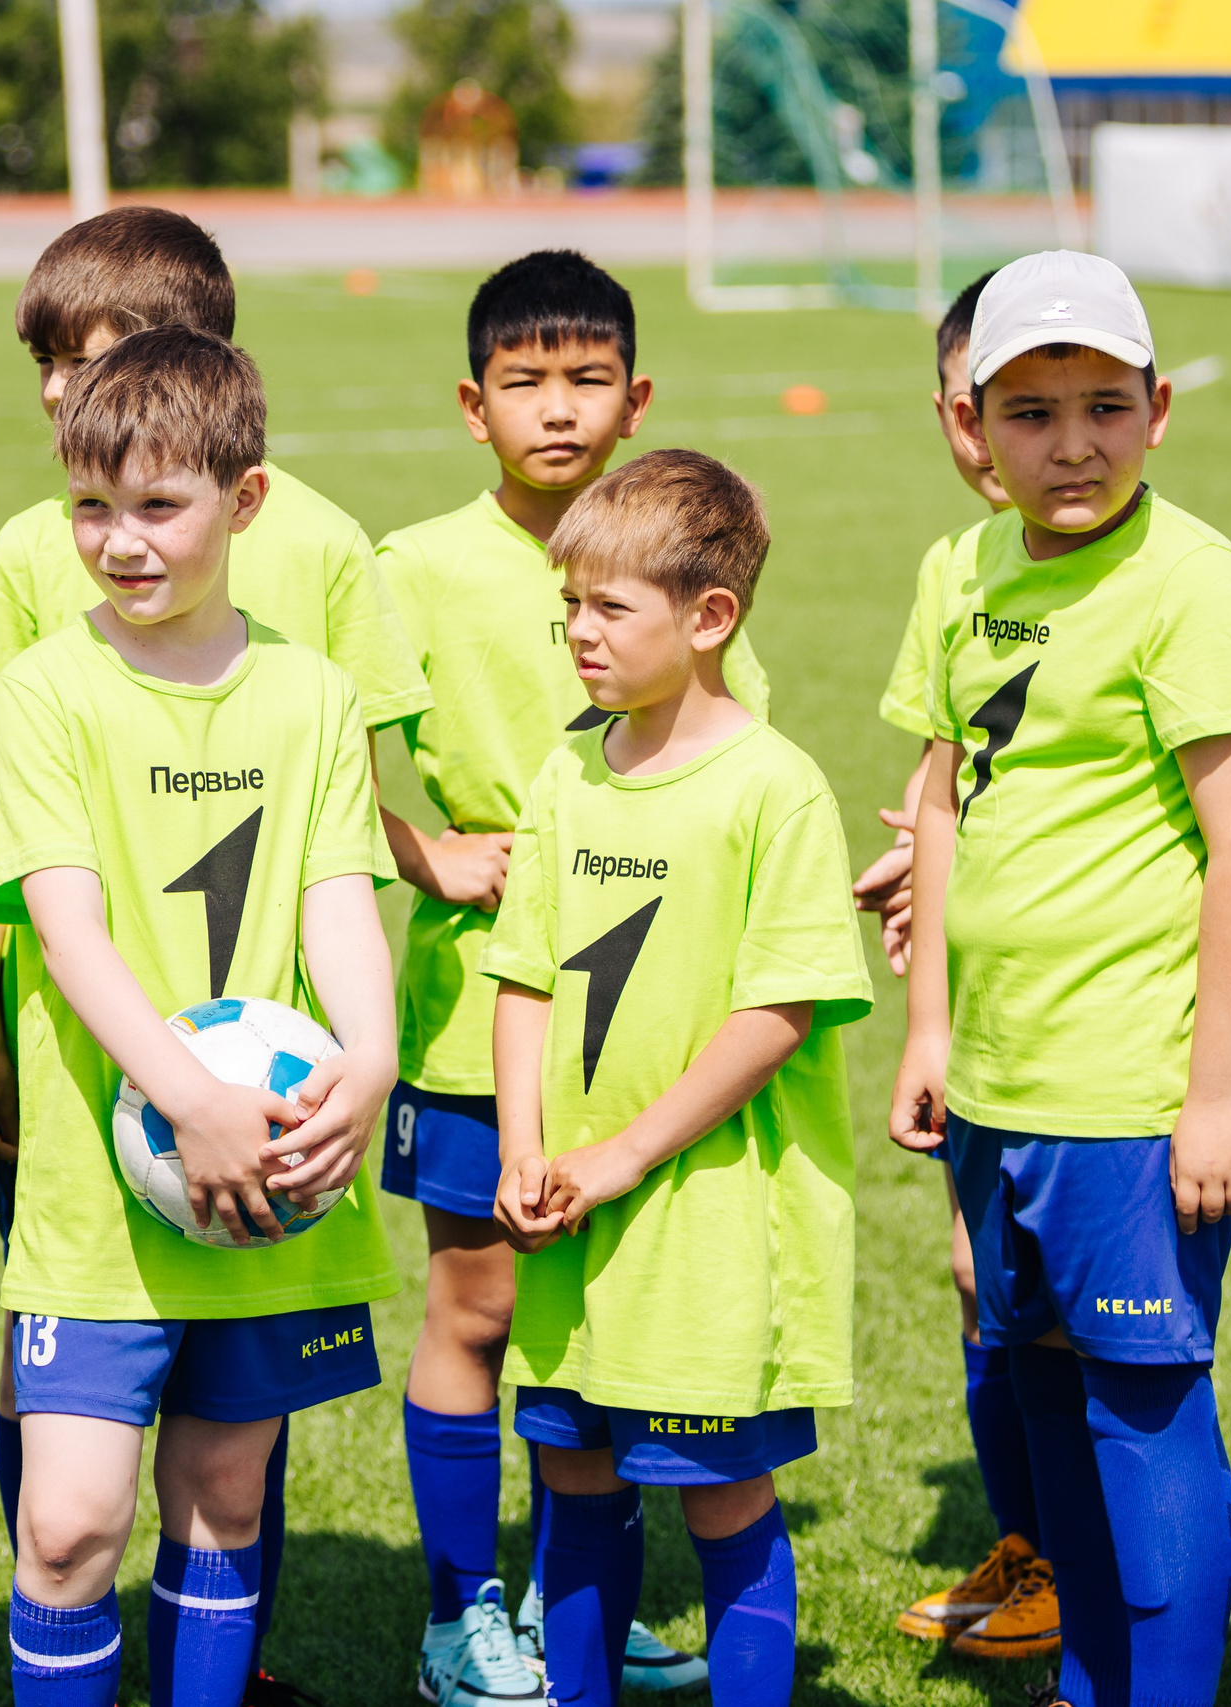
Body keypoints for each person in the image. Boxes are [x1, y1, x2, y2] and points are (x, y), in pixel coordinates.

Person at [0, 206, 429, 1706]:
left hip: (279, 1166)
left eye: (159, 504)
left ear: (247, 497)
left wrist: (372, 1055)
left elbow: (341, 893)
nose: (121, 540)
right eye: (92, 507)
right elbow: (67, 922)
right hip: (108, 1191)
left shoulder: (305, 692)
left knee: (224, 1500)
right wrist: (187, 1092)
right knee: (70, 1516)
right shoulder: (43, 689)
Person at [888, 252, 1231, 1707]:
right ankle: (1090, 1682)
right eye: (1033, 409)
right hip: (998, 1074)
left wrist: (1221, 1092)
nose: (1072, 443)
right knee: (1043, 1376)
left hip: (1129, 1084)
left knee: (1139, 1397)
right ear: (974, 422)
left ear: (1160, 409)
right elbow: (942, 800)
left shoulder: (1193, 583)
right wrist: (930, 1020)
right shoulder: (965, 566)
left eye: (1105, 406)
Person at [374, 250, 763, 1704]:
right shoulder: (413, 565)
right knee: (479, 1309)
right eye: (525, 381)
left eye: (587, 377)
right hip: (481, 1012)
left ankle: (575, 1595)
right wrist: (421, 850)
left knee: (602, 1319)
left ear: (637, 395)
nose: (558, 408)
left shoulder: (676, 562)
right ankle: (459, 1603)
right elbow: (316, 746)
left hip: (643, 1021)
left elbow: (731, 754)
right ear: (474, 405)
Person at [487, 448, 873, 1707]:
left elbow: (781, 1010)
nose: (578, 636)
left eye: (609, 609)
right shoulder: (567, 771)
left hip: (702, 1222)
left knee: (718, 1495)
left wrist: (624, 1154)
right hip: (565, 1213)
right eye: (570, 609)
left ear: (710, 619)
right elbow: (526, 978)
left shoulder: (774, 787)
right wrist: (521, 1150)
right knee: (575, 1482)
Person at [853, 269, 1061, 1667]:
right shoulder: (956, 568)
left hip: (1080, 998)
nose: (1026, 441)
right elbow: (955, 765)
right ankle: (1032, 1541)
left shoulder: (1140, 574)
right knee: (980, 1273)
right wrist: (925, 853)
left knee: (1063, 1299)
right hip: (972, 992)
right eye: (1000, 407)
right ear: (958, 413)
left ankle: (1078, 1560)